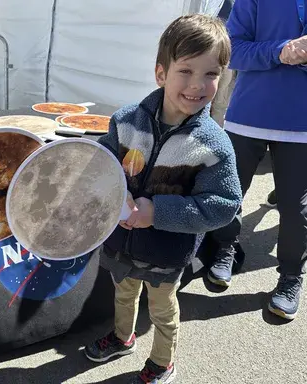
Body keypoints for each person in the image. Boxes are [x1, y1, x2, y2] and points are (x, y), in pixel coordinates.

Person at [83, 14, 242, 383]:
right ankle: (123, 338)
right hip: (121, 241)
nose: (197, 86)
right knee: (123, 296)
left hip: (166, 253)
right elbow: (101, 167)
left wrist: (157, 211)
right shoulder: (125, 121)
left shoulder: (213, 145)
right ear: (160, 73)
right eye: (185, 71)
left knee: (162, 311)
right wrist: (111, 195)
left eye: (211, 74)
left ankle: (162, 361)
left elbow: (223, 204)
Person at [206, 0, 307, 320]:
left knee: (295, 207)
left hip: (302, 124)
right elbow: (233, 50)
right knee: (230, 191)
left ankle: (291, 276)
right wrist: (282, 51)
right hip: (248, 115)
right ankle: (225, 248)